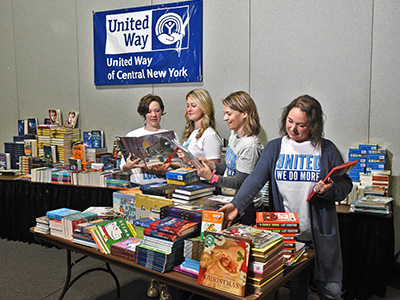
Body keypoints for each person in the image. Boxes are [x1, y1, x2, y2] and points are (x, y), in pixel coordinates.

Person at [219, 95, 353, 300]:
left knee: (331, 291)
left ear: (314, 126)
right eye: (290, 121)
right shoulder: (275, 148)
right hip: (287, 235)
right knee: (296, 291)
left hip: (322, 235)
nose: (293, 129)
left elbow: (346, 185)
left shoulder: (326, 149)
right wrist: (236, 205)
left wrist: (330, 190)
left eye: (301, 125)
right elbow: (255, 180)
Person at [195, 91, 264, 223]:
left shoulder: (250, 145)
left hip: (247, 207)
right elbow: (231, 167)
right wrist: (212, 165)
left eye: (229, 114)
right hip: (231, 200)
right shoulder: (234, 134)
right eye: (224, 113)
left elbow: (240, 181)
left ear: (244, 113)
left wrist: (212, 178)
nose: (225, 118)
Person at [120, 94, 172, 186]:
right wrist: (128, 166)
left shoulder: (170, 135)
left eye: (157, 111)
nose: (153, 115)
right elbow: (123, 167)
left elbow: (178, 165)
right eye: (149, 111)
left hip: (163, 185)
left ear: (162, 111)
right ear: (144, 113)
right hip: (137, 185)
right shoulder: (132, 135)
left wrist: (168, 165)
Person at [178, 88, 221, 166]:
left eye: (193, 106)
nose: (189, 109)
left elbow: (214, 169)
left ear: (204, 107)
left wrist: (188, 162)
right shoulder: (194, 133)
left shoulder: (209, 135)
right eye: (188, 105)